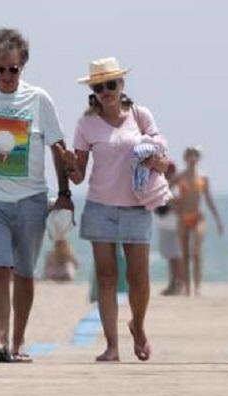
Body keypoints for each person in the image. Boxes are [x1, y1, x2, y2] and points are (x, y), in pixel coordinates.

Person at [0, 28, 72, 364]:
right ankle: (0, 338)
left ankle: (19, 340)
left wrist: (64, 194)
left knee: (24, 271)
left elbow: (57, 147)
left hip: (31, 201)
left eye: (13, 69)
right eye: (0, 69)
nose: (6, 76)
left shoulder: (39, 100)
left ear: (24, 65)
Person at [62, 57, 172, 362]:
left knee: (139, 278)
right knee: (107, 277)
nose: (106, 91)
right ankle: (112, 346)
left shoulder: (140, 115)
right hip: (100, 207)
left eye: (111, 84)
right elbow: (79, 175)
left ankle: (138, 325)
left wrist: (154, 161)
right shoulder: (86, 124)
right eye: (100, 86)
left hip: (137, 207)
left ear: (122, 85)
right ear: (93, 91)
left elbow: (164, 161)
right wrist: (69, 164)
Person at [171, 146, 225, 296]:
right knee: (185, 253)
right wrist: (174, 204)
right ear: (185, 158)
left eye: (195, 156)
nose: (192, 159)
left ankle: (198, 286)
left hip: (198, 216)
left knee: (196, 252)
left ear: (198, 158)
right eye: (189, 156)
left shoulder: (203, 178)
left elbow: (209, 199)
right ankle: (186, 286)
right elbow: (165, 191)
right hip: (183, 216)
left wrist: (218, 220)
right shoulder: (179, 177)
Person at [154, 202, 184, 295]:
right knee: (171, 257)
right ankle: (172, 284)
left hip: (173, 225)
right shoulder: (165, 188)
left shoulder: (177, 189)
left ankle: (180, 285)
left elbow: (181, 205)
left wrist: (172, 205)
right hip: (164, 224)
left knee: (176, 256)